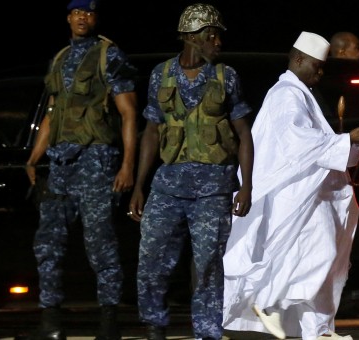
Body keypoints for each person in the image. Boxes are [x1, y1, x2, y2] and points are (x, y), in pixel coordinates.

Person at [221, 31, 359, 340]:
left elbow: (321, 144)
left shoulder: (300, 93)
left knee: (322, 264)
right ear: (299, 59)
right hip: (296, 195)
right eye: (316, 66)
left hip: (313, 195)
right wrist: (347, 141)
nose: (320, 73)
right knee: (321, 254)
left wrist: (354, 145)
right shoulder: (285, 95)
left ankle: (319, 331)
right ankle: (269, 302)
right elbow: (296, 141)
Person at [127, 3, 253, 340]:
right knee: (151, 259)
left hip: (213, 187)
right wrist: (139, 185)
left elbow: (243, 134)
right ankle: (155, 326)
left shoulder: (227, 77)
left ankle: (207, 333)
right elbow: (151, 131)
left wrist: (246, 186)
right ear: (193, 38)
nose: (218, 43)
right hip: (168, 185)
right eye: (212, 36)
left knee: (208, 266)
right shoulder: (161, 74)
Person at [22, 0, 138, 338]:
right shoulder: (60, 59)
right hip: (60, 164)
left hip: (96, 161)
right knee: (48, 243)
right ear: (68, 18)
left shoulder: (108, 56)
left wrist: (127, 165)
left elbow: (129, 112)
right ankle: (50, 323)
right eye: (76, 13)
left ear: (95, 18)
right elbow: (53, 113)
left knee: (100, 243)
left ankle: (109, 322)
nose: (81, 18)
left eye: (87, 13)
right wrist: (33, 158)